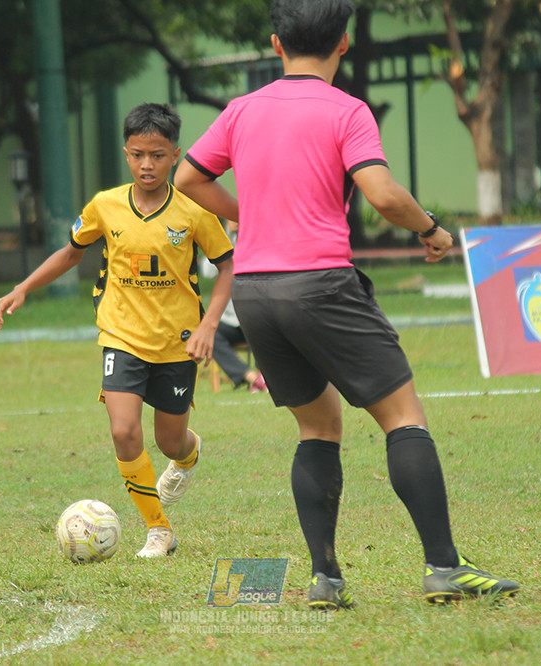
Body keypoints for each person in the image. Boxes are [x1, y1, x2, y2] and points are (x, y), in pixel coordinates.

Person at [174, 0, 519, 607]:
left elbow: (188, 179)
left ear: (276, 45)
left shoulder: (241, 110)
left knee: (318, 425)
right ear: (345, 43)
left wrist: (250, 214)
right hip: (321, 284)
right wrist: (431, 229)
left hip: (255, 291)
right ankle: (443, 566)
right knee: (403, 416)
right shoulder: (347, 110)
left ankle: (324, 579)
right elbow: (382, 194)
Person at [0, 103, 234, 558]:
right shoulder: (104, 206)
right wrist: (23, 287)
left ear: (176, 155)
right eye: (139, 154)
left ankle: (187, 453)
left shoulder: (194, 212)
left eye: (159, 156)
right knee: (124, 432)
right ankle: (159, 530)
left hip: (177, 343)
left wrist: (208, 325)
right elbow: (70, 253)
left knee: (169, 440)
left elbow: (228, 267)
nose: (148, 165)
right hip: (121, 337)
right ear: (126, 153)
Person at [212, 221, 267, 393]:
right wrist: (227, 234)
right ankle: (250, 376)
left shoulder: (259, 239)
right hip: (231, 320)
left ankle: (267, 376)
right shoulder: (224, 238)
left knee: (270, 325)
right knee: (208, 333)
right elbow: (208, 271)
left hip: (256, 317)